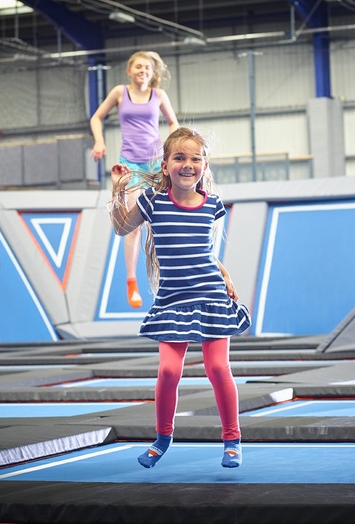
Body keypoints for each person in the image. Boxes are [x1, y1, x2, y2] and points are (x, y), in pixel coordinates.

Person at [108, 127, 251, 468]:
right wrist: (116, 193)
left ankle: (232, 440)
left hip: (210, 296)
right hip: (173, 299)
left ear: (205, 164)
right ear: (165, 164)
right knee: (169, 371)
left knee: (218, 368)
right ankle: (162, 437)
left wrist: (226, 275)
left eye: (195, 158)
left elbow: (204, 253)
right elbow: (121, 228)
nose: (188, 164)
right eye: (180, 158)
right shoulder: (152, 202)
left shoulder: (213, 206)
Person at [90, 51, 180, 308]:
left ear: (153, 74)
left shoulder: (158, 95)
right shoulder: (120, 92)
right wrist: (99, 141)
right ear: (129, 71)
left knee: (160, 220)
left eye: (148, 69)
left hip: (155, 163)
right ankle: (131, 280)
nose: (143, 71)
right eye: (138, 67)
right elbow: (96, 117)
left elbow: (173, 122)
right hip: (129, 164)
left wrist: (171, 147)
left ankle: (165, 276)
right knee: (133, 223)